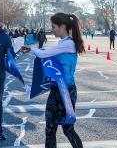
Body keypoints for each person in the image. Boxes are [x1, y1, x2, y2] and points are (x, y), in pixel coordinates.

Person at [21, 12, 84, 148]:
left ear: (62, 27)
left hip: (66, 91)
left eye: (53, 26)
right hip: (56, 90)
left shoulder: (68, 43)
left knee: (68, 129)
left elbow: (44, 54)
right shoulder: (63, 42)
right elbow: (48, 57)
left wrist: (32, 48)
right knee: (50, 128)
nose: (51, 29)